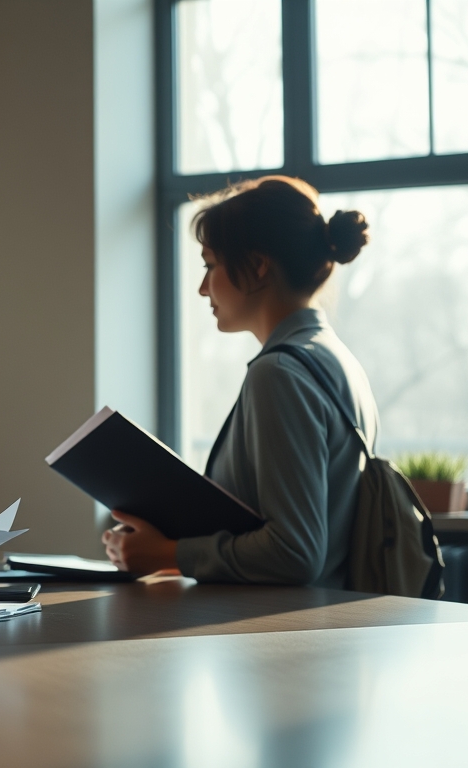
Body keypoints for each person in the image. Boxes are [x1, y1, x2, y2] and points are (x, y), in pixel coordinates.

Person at [102, 176, 378, 588]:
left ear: (259, 264)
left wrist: (167, 553)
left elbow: (295, 553)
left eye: (210, 265)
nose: (201, 288)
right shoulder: (337, 359)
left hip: (284, 641)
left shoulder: (279, 373)